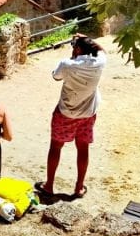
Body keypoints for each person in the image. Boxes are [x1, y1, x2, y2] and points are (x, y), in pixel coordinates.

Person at [36, 34, 106, 199]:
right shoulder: (99, 62)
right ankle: (79, 187)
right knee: (83, 148)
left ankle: (49, 185)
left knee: (56, 147)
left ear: (78, 49)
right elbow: (102, 50)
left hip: (66, 113)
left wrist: (75, 52)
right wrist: (88, 39)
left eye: (74, 47)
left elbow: (56, 76)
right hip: (88, 114)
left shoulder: (67, 65)